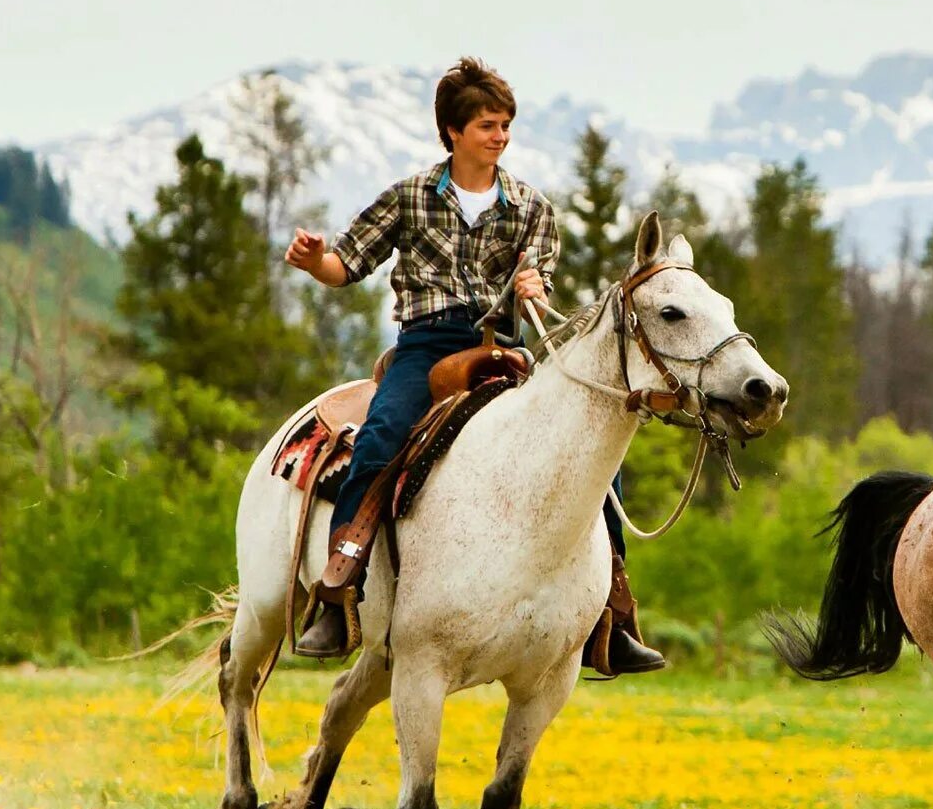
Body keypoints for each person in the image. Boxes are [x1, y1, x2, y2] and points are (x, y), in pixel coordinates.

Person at [283, 56, 664, 674]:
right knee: (379, 439)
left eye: (506, 125)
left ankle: (611, 615)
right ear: (453, 132)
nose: (501, 136)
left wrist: (532, 286)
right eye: (488, 125)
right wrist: (313, 260)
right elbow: (344, 267)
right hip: (426, 347)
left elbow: (537, 272)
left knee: (593, 451)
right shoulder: (407, 198)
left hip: (502, 350)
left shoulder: (532, 207)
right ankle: (339, 588)